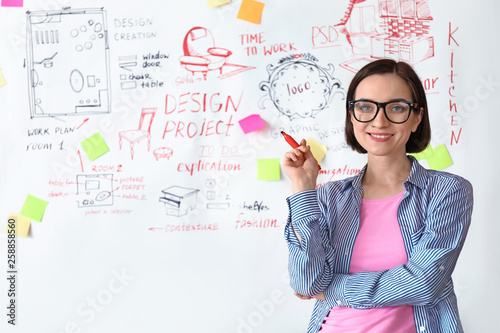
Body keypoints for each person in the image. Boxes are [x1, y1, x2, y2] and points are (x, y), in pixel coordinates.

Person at [282, 59, 473, 333]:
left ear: (417, 117)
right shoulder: (328, 197)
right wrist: (303, 187)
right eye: (365, 107)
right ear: (351, 116)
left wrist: (332, 288)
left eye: (396, 107)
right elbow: (306, 284)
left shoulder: (448, 192)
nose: (379, 121)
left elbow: (423, 283)